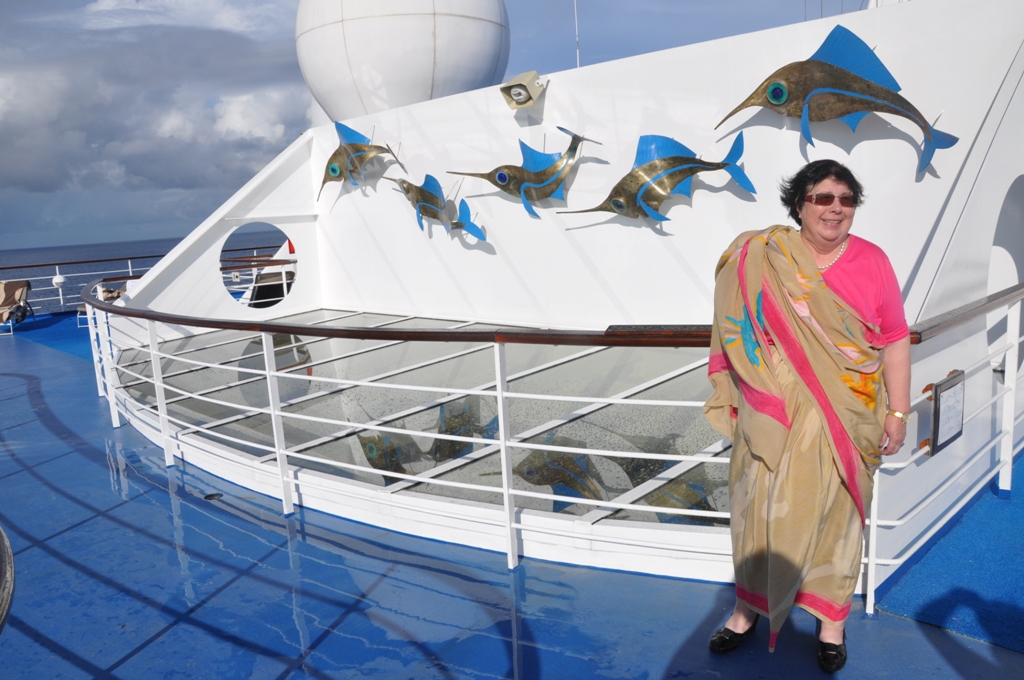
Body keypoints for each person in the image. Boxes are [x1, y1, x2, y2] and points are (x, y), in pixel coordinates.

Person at [703, 159, 911, 673]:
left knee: (838, 516)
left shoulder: (873, 260)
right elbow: (734, 325)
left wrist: (899, 411)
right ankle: (745, 611)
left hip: (849, 411)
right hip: (772, 412)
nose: (835, 209)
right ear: (799, 205)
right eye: (823, 198)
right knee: (758, 509)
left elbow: (893, 338)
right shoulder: (762, 255)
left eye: (846, 199)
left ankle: (831, 623)